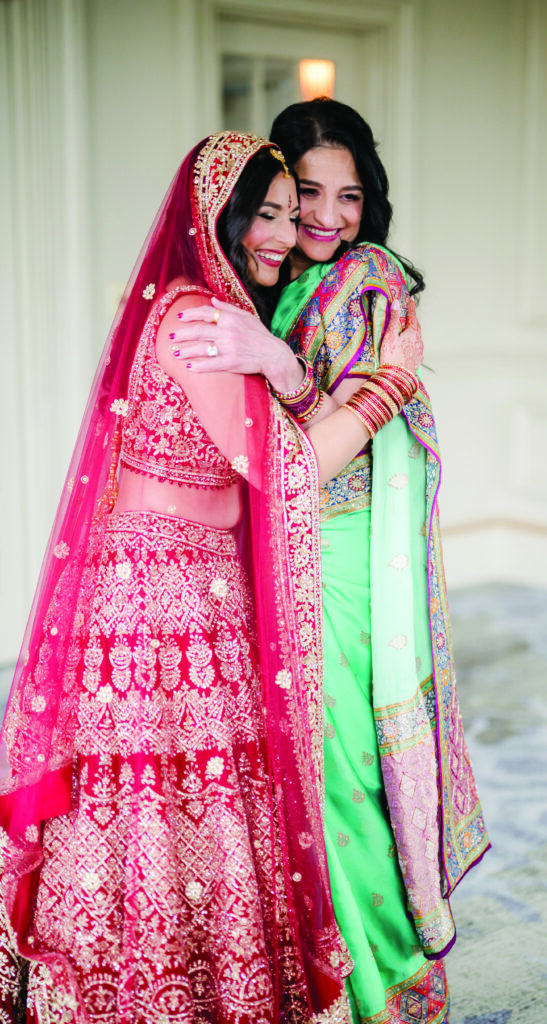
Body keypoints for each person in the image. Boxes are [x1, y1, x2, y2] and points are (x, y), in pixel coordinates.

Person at [0, 129, 421, 1024]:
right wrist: (388, 384)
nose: (284, 230)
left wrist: (284, 365)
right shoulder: (198, 317)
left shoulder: (207, 305)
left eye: (289, 212)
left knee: (181, 808)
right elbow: (294, 469)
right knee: (167, 809)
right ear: (215, 219)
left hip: (177, 588)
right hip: (167, 602)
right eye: (262, 213)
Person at [171, 100, 490, 1024]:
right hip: (273, 547)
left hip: (340, 556)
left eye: (349, 197)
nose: (325, 216)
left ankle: (377, 977)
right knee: (288, 774)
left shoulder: (366, 284)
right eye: (304, 193)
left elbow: (315, 457)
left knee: (340, 768)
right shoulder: (267, 279)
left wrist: (273, 361)